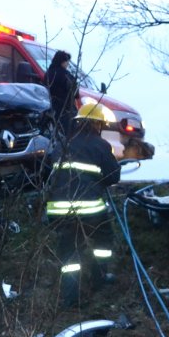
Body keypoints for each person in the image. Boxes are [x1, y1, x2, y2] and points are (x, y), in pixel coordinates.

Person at [45, 101, 122, 308]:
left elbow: (48, 172)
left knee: (69, 253)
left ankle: (70, 299)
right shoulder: (100, 145)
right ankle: (99, 279)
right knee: (103, 241)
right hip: (89, 208)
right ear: (97, 124)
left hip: (58, 209)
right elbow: (113, 176)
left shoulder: (63, 143)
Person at [44, 50, 77, 138]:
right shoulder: (65, 75)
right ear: (62, 61)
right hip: (65, 111)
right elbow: (75, 92)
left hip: (50, 111)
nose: (67, 64)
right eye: (67, 62)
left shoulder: (48, 74)